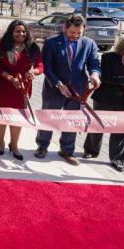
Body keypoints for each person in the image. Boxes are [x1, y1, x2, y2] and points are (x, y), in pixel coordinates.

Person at [35, 14, 101, 165]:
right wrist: (59, 84)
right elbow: (47, 66)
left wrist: (95, 75)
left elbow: (94, 63)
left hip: (77, 89)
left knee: (72, 120)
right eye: (72, 33)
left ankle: (67, 150)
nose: (75, 36)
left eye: (79, 33)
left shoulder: (89, 43)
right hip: (54, 88)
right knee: (48, 117)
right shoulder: (51, 43)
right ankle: (42, 146)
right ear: (64, 28)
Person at [84, 35, 124, 171]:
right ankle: (91, 150)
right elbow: (106, 77)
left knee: (121, 129)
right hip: (105, 96)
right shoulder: (109, 57)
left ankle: (118, 159)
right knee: (98, 124)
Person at [0, 20, 43, 160]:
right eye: (17, 31)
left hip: (23, 89)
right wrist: (9, 77)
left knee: (18, 117)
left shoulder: (32, 47)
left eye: (23, 31)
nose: (21, 34)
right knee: (2, 116)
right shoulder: (1, 46)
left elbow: (40, 65)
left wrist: (34, 71)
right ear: (11, 32)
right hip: (3, 86)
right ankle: (0, 142)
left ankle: (14, 145)